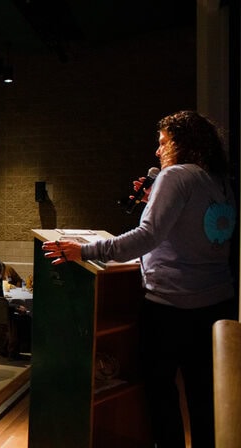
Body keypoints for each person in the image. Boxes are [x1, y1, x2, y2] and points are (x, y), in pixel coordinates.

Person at [42, 111, 237, 448]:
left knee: (160, 393)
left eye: (163, 143)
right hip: (216, 306)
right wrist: (153, 202)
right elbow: (196, 231)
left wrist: (85, 252)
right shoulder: (219, 180)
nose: (158, 152)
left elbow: (147, 236)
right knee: (204, 397)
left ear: (183, 142)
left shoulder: (176, 176)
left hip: (171, 308)